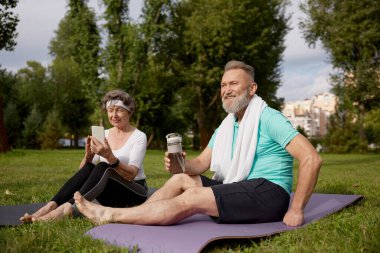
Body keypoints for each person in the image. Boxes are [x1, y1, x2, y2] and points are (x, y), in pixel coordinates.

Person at [74, 60, 322, 227]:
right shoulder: (227, 126)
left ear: (252, 88)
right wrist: (180, 163)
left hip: (269, 193)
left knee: (193, 196)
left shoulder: (268, 118)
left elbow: (311, 158)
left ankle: (108, 214)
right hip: (242, 186)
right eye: (223, 85)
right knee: (180, 180)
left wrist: (297, 208)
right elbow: (201, 163)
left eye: (233, 83)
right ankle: (140, 214)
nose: (226, 89)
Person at [20, 89, 148, 222]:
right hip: (109, 195)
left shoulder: (138, 136)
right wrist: (88, 157)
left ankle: (66, 209)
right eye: (110, 110)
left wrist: (110, 157)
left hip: (134, 192)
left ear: (129, 111)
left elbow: (132, 174)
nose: (114, 115)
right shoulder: (104, 134)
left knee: (104, 166)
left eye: (119, 110)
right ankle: (51, 205)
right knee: (90, 167)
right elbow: (84, 173)